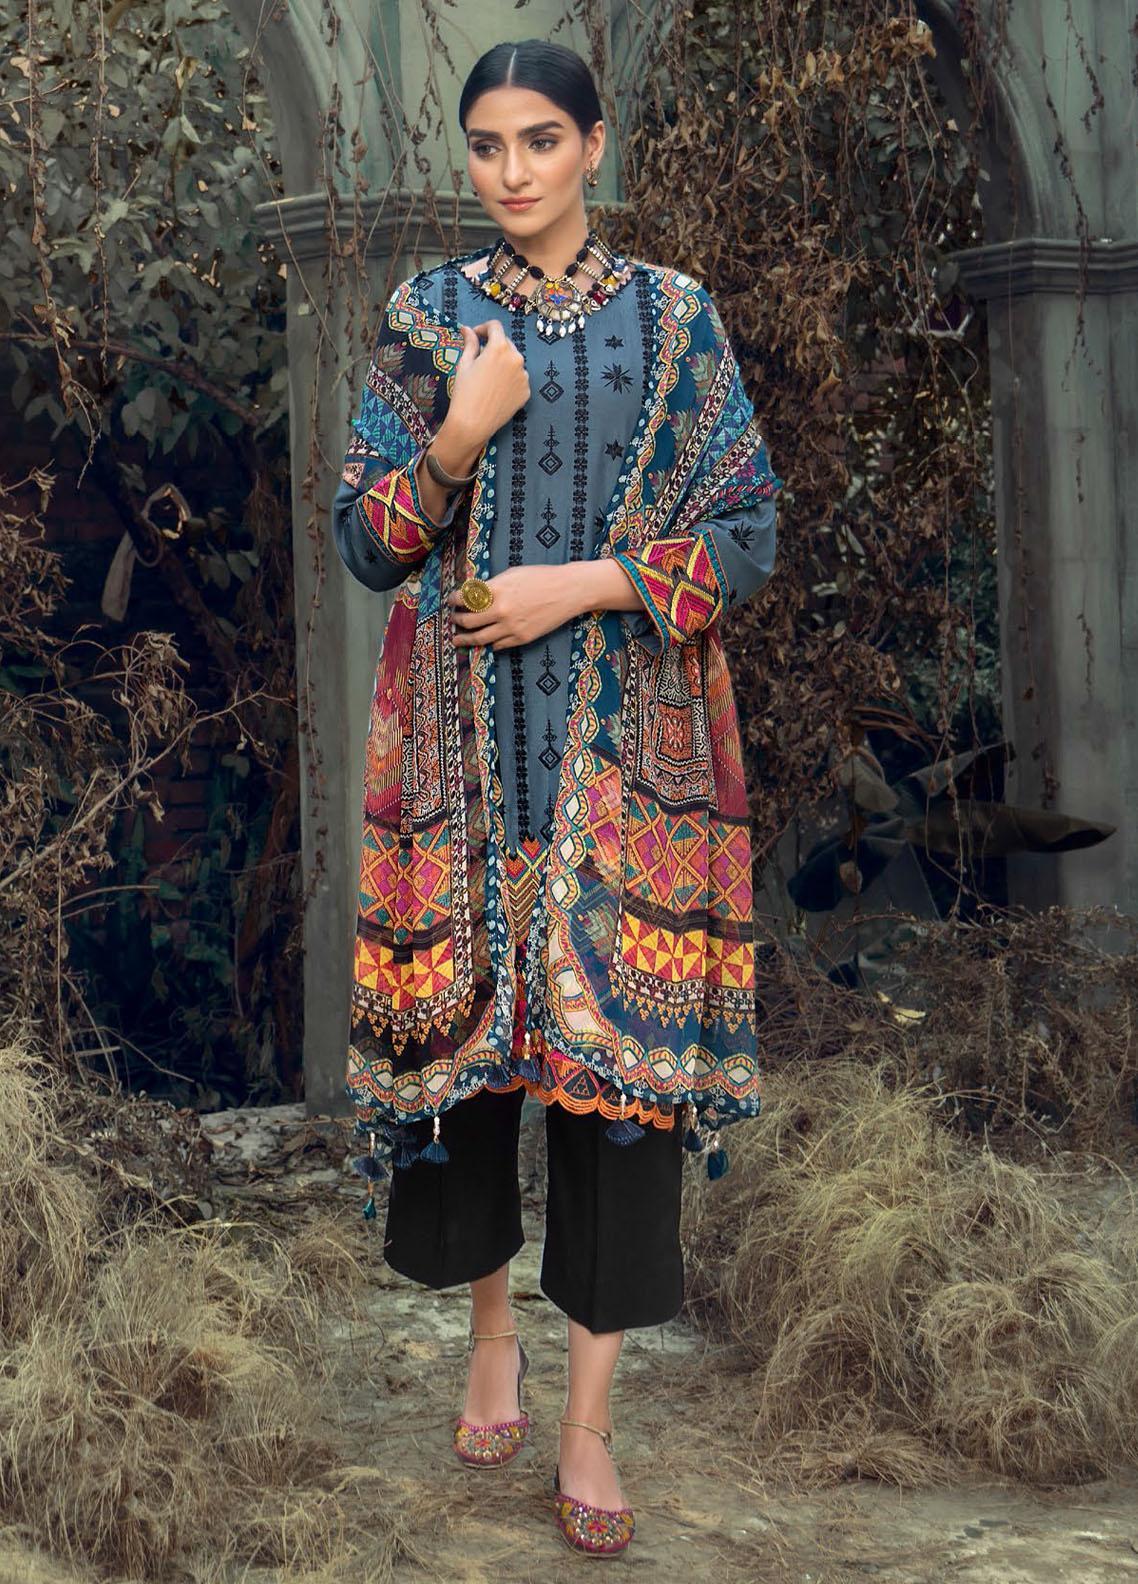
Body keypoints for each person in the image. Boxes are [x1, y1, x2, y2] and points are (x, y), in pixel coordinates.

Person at [331, 38, 781, 1557]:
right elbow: (367, 542)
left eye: (539, 140)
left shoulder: (676, 318)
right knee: (467, 1069)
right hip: (458, 757)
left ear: (594, 143)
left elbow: (748, 528)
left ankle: (587, 1422)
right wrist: (460, 433)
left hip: (629, 757)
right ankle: (488, 1339)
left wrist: (579, 586)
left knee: (618, 1087)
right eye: (485, 145)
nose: (511, 172)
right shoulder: (428, 316)